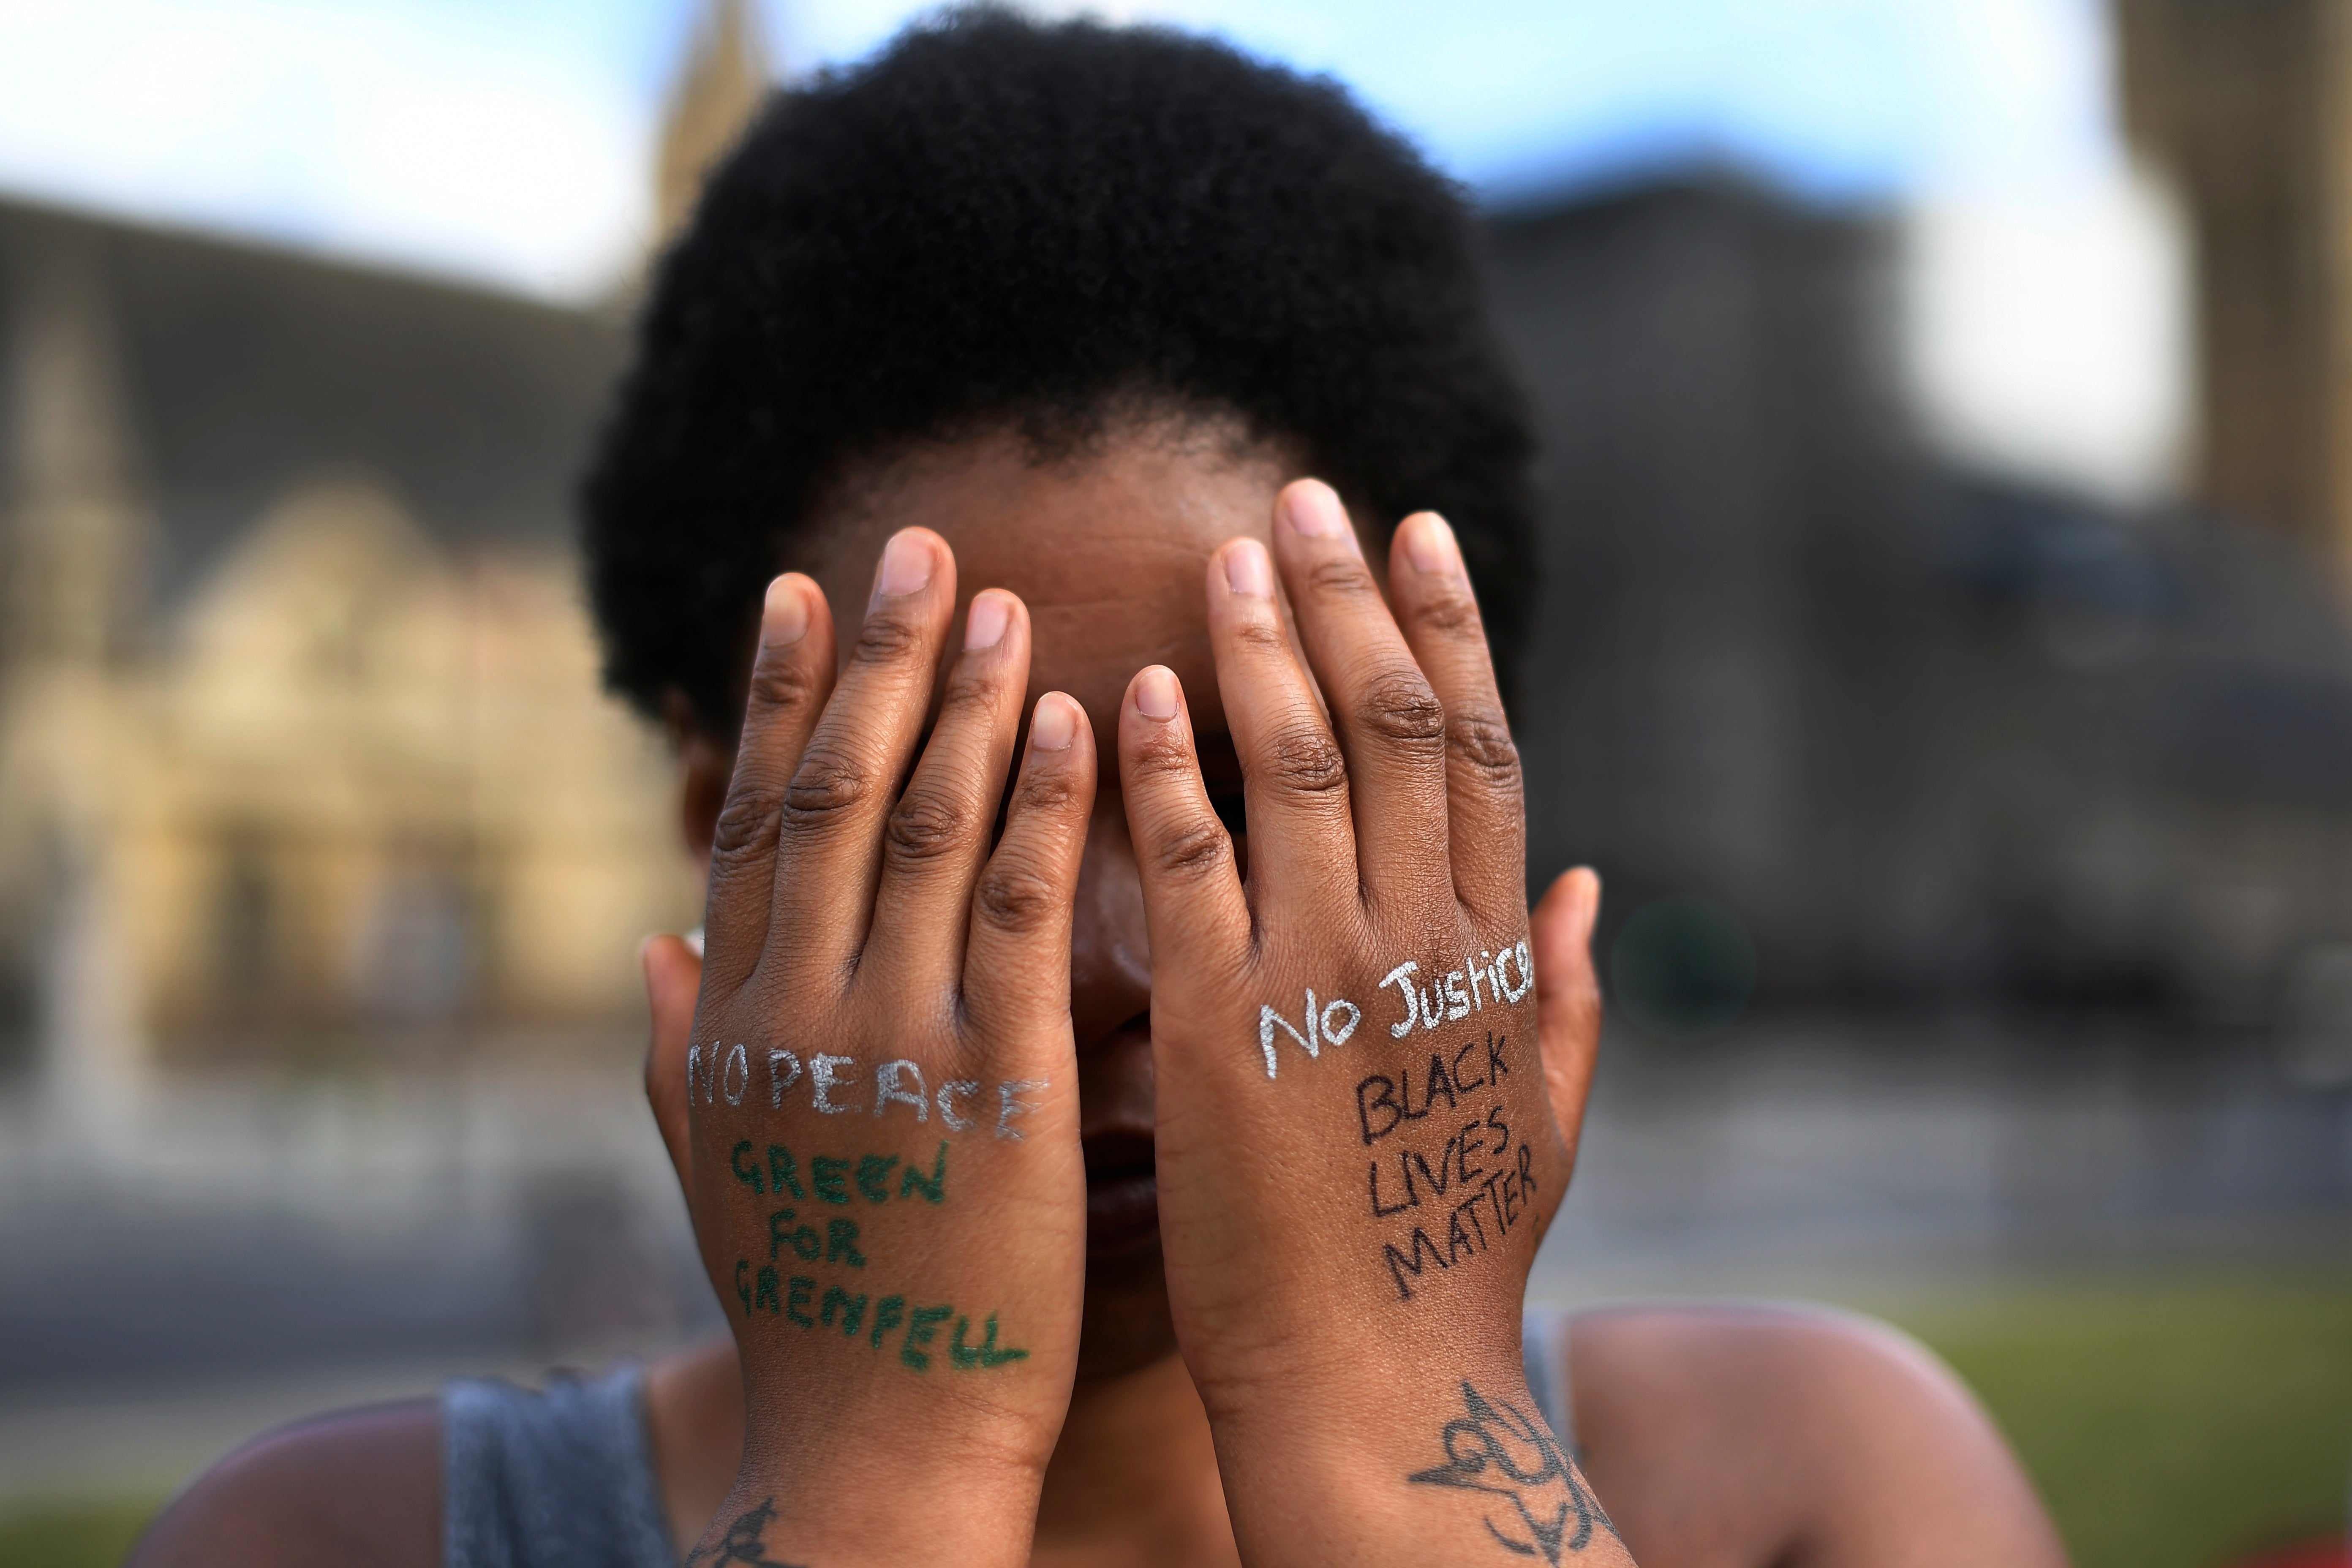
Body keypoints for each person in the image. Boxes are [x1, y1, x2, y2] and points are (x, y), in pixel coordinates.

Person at [131, 12, 2069, 1567]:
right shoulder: (323, 1538)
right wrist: (888, 1477)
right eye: (966, 815)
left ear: (1479, 850)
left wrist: (1393, 1431)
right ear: (725, 863)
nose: (1133, 955)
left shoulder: (1822, 1486)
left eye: (1265, 804)